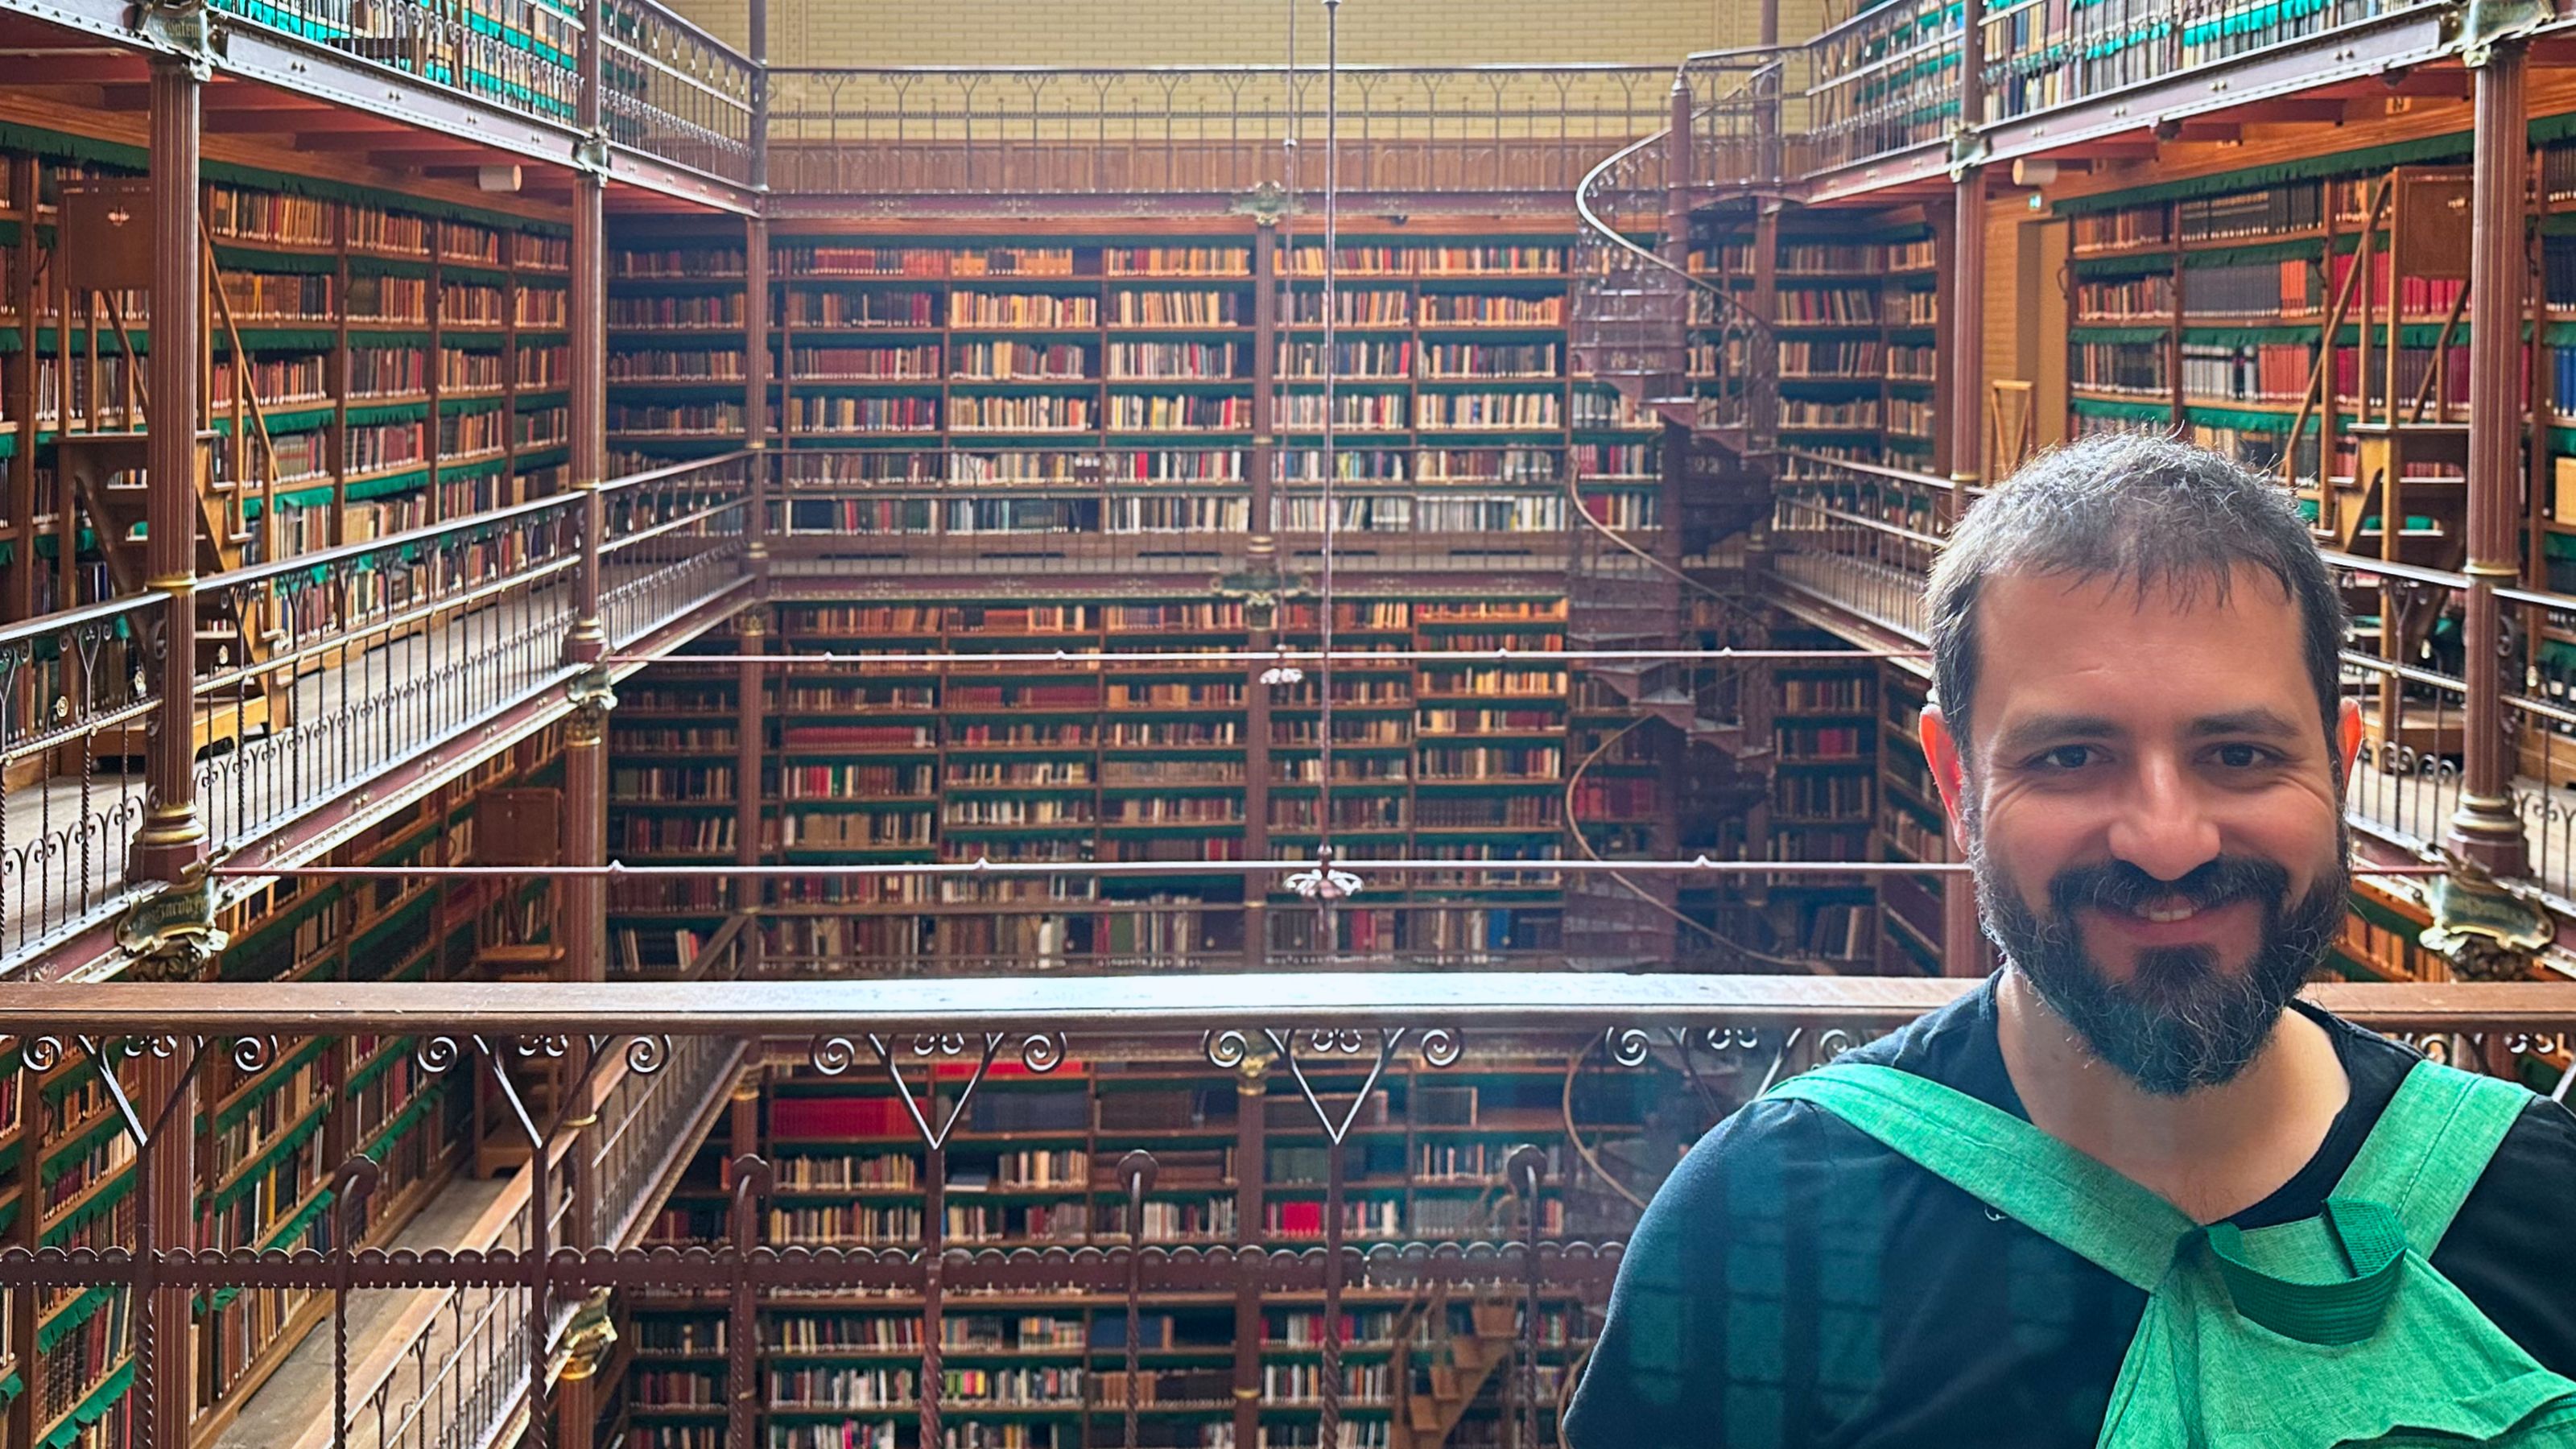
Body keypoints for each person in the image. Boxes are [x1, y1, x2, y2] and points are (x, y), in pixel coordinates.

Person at [1561, 433, 2576, 1448]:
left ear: (2341, 767)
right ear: (1957, 787)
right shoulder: (1755, 1228)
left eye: (2238, 754)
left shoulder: (2542, 1199)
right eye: (2071, 756)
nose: (2168, 842)